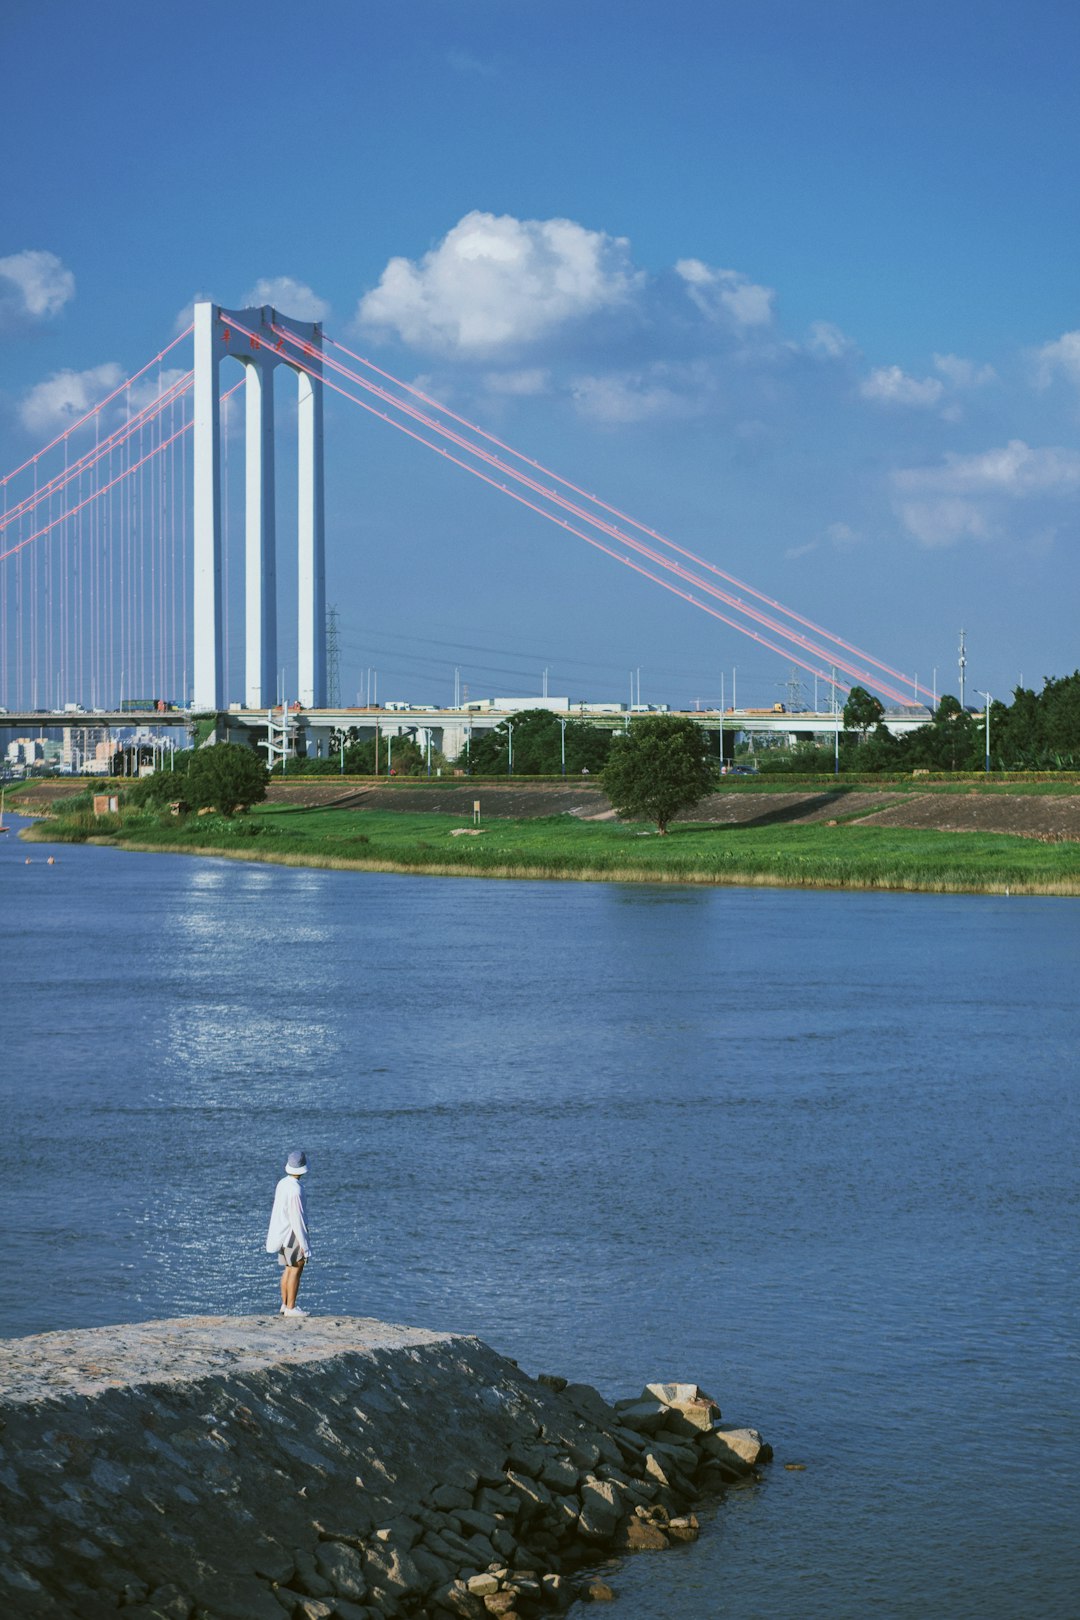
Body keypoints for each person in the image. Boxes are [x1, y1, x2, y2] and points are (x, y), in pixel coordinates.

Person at [265, 1150, 312, 1316]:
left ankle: (285, 1305)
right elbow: (297, 1219)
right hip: (293, 1234)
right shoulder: (296, 1190)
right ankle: (291, 1308)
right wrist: (305, 1247)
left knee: (288, 1269)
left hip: (283, 1233)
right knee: (296, 1269)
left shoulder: (283, 1183)